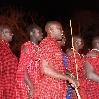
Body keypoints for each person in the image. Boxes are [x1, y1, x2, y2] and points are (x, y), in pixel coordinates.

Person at [33, 21, 79, 99]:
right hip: (48, 90)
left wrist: (70, 75)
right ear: (51, 30)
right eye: (59, 29)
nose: (62, 31)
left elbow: (57, 68)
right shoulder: (47, 43)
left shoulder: (54, 45)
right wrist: (68, 78)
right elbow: (45, 69)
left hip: (56, 90)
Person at [16, 24, 43, 99]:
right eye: (39, 32)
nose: (42, 34)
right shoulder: (27, 46)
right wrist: (31, 87)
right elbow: (23, 69)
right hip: (29, 84)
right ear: (31, 33)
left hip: (38, 83)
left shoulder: (39, 48)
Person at [0, 25, 18, 99]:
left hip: (10, 86)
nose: (12, 34)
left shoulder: (6, 48)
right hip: (3, 87)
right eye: (10, 32)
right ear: (3, 33)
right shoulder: (1, 47)